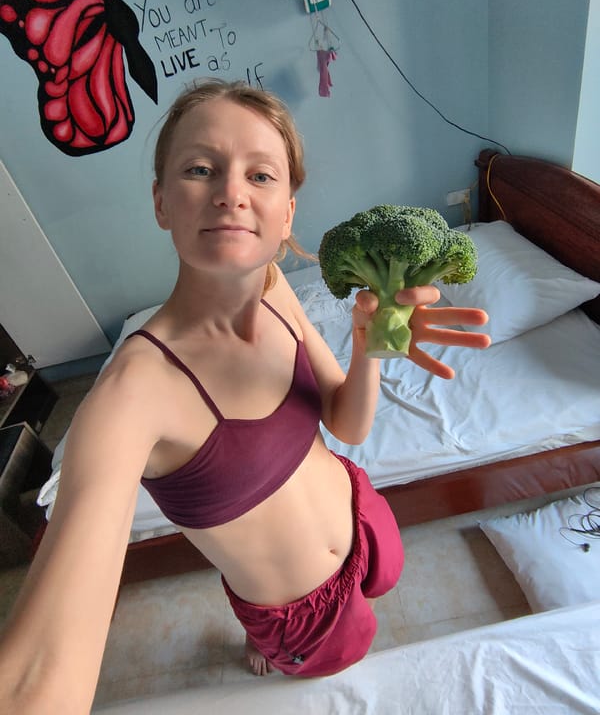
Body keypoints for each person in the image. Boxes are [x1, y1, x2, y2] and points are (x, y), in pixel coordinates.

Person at [0, 79, 490, 713]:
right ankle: (261, 643)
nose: (232, 192)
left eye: (261, 175)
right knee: (339, 664)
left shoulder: (274, 285)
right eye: (201, 169)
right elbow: (38, 671)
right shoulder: (131, 396)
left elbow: (349, 424)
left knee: (383, 579)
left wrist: (372, 346)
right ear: (161, 202)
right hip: (297, 615)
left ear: (287, 211)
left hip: (363, 514)